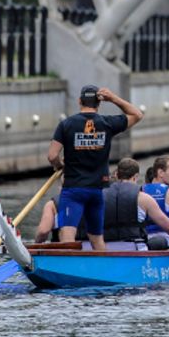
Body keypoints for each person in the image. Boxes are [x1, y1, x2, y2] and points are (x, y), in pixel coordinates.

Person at [46, 84, 143, 251]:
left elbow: (52, 156)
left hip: (74, 189)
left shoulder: (66, 124)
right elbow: (137, 114)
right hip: (97, 190)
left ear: (79, 101)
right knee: (97, 238)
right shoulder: (107, 123)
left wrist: (60, 165)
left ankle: (69, 271)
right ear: (99, 104)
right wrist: (113, 98)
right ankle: (103, 270)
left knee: (67, 234)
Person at [102, 158, 169, 249]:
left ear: (117, 175)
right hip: (135, 250)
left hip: (107, 249)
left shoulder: (101, 195)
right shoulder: (143, 198)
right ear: (136, 177)